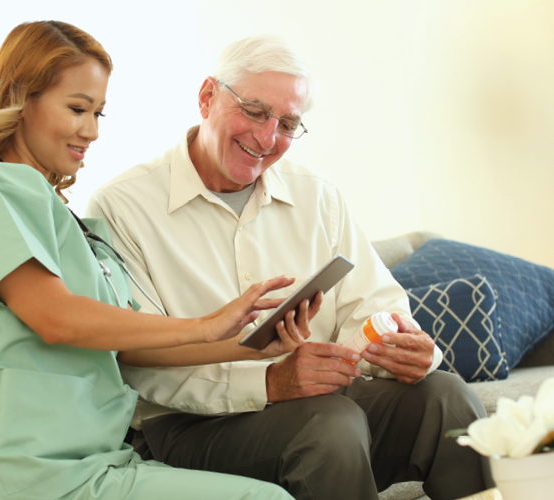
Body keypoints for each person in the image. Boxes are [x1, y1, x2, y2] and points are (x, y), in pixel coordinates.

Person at [0, 22, 320, 500]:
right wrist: (207, 325)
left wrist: (249, 346)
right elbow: (55, 319)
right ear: (23, 99)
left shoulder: (66, 220)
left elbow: (126, 348)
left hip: (102, 460)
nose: (91, 131)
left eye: (99, 113)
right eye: (77, 108)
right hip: (28, 473)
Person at [87, 34, 492, 500]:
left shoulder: (317, 197)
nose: (266, 138)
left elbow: (376, 307)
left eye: (287, 123)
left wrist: (402, 346)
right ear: (206, 97)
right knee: (330, 425)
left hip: (323, 408)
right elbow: (138, 360)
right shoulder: (122, 206)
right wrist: (270, 381)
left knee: (449, 398)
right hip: (192, 426)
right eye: (255, 112)